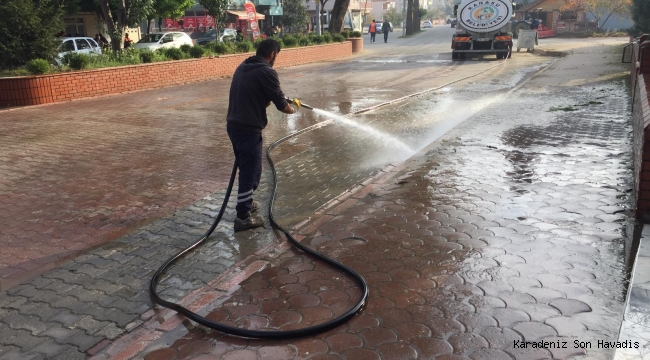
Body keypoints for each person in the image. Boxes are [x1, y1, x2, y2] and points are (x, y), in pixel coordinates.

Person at [226, 39, 303, 231]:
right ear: (272, 54)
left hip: (234, 125)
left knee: (251, 169)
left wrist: (268, 98)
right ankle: (243, 216)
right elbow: (282, 106)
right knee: (249, 172)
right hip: (248, 128)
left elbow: (255, 93)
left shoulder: (245, 65)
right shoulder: (267, 71)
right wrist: (293, 108)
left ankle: (247, 202)